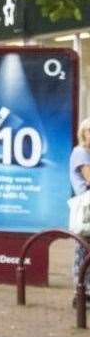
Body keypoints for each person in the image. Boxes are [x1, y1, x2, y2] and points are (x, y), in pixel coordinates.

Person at [71, 118, 90, 304]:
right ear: (83, 133)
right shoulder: (81, 152)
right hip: (86, 208)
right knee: (83, 248)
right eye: (89, 131)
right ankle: (80, 292)